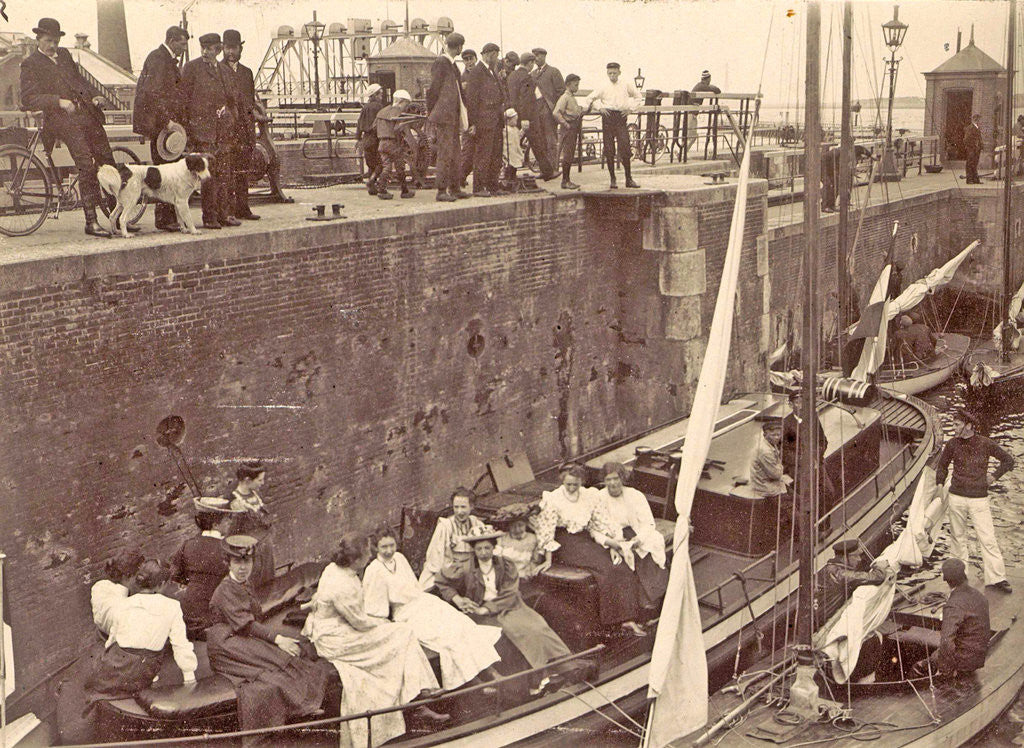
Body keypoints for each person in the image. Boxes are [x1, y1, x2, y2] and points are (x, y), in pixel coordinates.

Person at [303, 534, 448, 748]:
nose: (371, 555)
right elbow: (360, 623)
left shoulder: (334, 569)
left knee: (399, 637)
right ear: (357, 559)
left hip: (337, 629)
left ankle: (417, 698)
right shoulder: (343, 584)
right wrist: (385, 624)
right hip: (336, 640)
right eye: (368, 553)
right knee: (401, 633)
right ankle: (417, 698)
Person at [207, 535, 334, 736]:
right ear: (227, 563)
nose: (243, 567)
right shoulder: (225, 590)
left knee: (287, 654)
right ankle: (301, 706)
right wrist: (278, 638)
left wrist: (300, 607)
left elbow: (253, 615)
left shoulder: (243, 583)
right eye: (237, 562)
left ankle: (302, 704)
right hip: (226, 645)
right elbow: (247, 624)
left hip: (239, 635)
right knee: (275, 663)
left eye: (246, 561)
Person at [435, 525, 574, 695]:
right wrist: (458, 599)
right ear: (473, 550)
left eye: (487, 547)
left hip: (508, 605)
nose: (484, 552)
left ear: (494, 547)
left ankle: (562, 667)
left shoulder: (505, 564)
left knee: (537, 626)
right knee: (517, 632)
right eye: (479, 549)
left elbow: (510, 592)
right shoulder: (464, 567)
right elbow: (441, 582)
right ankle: (538, 680)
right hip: (479, 612)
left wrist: (488, 608)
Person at [362, 529, 502, 690]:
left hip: (423, 602)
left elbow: (414, 587)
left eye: (391, 545)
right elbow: (374, 606)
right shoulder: (374, 570)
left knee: (461, 625)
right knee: (445, 637)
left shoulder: (399, 558)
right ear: (375, 548)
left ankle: (490, 672)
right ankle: (475, 682)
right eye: (383, 547)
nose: (389, 551)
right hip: (404, 613)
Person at [20, 17, 117, 237]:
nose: (53, 45)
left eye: (55, 41)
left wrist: (94, 97)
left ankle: (117, 217)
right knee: (85, 164)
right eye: (48, 41)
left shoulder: (64, 55)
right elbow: (28, 98)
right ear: (38, 39)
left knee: (107, 160)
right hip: (59, 121)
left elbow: (79, 82)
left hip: (85, 115)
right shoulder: (31, 63)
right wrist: (58, 101)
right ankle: (91, 221)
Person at [531, 464, 648, 636]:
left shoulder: (589, 496)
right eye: (568, 484)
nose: (571, 488)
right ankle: (617, 620)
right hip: (565, 542)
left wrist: (612, 542)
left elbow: (600, 521)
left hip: (585, 538)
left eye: (575, 484)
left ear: (581, 482)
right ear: (562, 481)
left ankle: (627, 619)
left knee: (620, 565)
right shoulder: (553, 499)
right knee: (606, 568)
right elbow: (546, 530)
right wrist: (547, 559)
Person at [85, 560, 197, 704]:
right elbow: (180, 644)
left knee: (95, 687)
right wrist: (189, 676)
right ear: (162, 583)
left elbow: (114, 635)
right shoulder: (172, 606)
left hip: (118, 659)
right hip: (146, 665)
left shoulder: (125, 603)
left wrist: (106, 657)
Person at [936, 410, 1015, 592]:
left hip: (979, 499)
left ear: (969, 425)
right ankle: (959, 580)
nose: (953, 427)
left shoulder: (985, 443)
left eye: (956, 424)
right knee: (957, 538)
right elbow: (942, 465)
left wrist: (994, 476)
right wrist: (940, 484)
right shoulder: (952, 444)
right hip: (956, 497)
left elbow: (1008, 461)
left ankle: (997, 578)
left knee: (987, 538)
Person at [180, 32, 240, 230]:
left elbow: (232, 100)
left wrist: (230, 117)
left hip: (223, 132)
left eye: (210, 48)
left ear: (219, 49)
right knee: (208, 176)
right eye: (203, 48)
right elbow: (184, 101)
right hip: (202, 132)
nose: (205, 52)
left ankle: (224, 214)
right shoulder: (191, 69)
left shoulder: (224, 71)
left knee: (224, 175)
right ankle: (209, 217)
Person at [134, 26, 189, 232]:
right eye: (182, 44)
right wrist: (166, 121)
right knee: (165, 172)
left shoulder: (164, 57)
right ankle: (165, 219)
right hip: (161, 127)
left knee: (168, 171)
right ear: (172, 40)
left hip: (166, 125)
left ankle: (168, 218)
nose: (184, 48)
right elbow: (153, 93)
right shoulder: (159, 58)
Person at [593, 462, 669, 607]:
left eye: (616, 478)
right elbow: (595, 528)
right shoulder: (598, 498)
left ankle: (654, 600)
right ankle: (638, 604)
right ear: (604, 481)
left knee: (649, 550)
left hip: (636, 532)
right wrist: (611, 544)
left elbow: (648, 523)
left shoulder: (635, 495)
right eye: (609, 479)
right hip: (611, 539)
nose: (613, 483)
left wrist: (639, 539)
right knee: (621, 563)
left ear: (622, 478)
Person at [170, 497, 238, 637]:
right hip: (212, 616)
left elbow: (175, 574)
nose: (230, 523)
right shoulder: (228, 549)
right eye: (226, 519)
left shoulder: (187, 544)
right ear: (215, 524)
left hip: (188, 615)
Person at [912, 559, 991, 679]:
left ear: (945, 579)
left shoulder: (952, 605)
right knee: (936, 655)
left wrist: (945, 670)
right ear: (964, 575)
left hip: (963, 662)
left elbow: (946, 642)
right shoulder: (980, 596)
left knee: (918, 667)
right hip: (978, 657)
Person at [221, 29, 260, 222]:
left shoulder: (247, 72)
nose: (230, 52)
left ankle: (243, 207)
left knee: (243, 171)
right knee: (227, 171)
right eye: (227, 48)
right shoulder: (218, 70)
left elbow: (250, 102)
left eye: (233, 48)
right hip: (227, 130)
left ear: (240, 48)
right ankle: (228, 210)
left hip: (244, 129)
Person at [426, 31, 470, 203]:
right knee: (445, 152)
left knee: (455, 152)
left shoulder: (451, 65)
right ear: (459, 47)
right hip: (445, 116)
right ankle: (442, 190)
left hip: (452, 115)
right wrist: (432, 112)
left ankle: (455, 187)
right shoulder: (442, 63)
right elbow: (433, 90)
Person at [584, 62, 642, 189]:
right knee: (609, 149)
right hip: (608, 117)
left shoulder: (626, 84)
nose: (612, 76)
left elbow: (638, 97)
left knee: (625, 147)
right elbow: (589, 99)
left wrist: (630, 109)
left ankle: (629, 179)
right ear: (607, 73)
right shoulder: (603, 86)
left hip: (621, 117)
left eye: (614, 73)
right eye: (610, 73)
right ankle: (613, 179)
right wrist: (600, 108)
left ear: (619, 72)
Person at [418, 486, 487, 589]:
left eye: (463, 507)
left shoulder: (477, 523)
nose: (459, 511)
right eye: (456, 507)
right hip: (451, 569)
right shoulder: (445, 526)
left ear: (471, 506)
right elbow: (436, 555)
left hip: (471, 569)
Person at [506, 52, 558, 181]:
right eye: (532, 63)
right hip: (528, 118)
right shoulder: (527, 78)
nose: (532, 66)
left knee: (513, 144)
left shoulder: (512, 75)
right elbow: (526, 99)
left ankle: (510, 174)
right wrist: (525, 118)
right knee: (537, 144)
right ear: (529, 63)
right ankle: (548, 172)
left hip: (513, 116)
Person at [463, 42, 505, 197]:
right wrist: (472, 123)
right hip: (483, 121)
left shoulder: (492, 71)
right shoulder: (477, 72)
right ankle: (479, 187)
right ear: (490, 54)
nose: (497, 58)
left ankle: (493, 185)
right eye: (496, 55)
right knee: (483, 154)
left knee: (495, 154)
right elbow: (472, 100)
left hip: (495, 120)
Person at [815, 539, 888, 625]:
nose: (859, 559)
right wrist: (880, 566)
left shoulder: (831, 567)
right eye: (856, 556)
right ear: (844, 557)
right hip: (819, 621)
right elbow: (878, 577)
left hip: (817, 615)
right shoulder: (841, 574)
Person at [228, 460, 276, 588]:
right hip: (251, 553)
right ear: (248, 480)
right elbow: (233, 533)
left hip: (265, 550)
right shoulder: (235, 503)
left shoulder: (254, 494)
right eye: (260, 480)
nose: (262, 483)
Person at [374, 90, 417, 200]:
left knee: (387, 166)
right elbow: (398, 129)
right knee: (400, 166)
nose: (405, 108)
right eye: (405, 105)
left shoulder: (382, 111)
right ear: (401, 102)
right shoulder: (397, 112)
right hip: (392, 143)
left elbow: (373, 127)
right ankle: (404, 191)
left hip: (381, 143)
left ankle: (382, 190)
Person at [91, 550, 144, 636]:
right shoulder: (127, 607)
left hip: (101, 629)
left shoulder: (99, 586)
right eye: (138, 576)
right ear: (128, 576)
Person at [531, 48, 564, 173]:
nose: (536, 58)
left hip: (549, 110)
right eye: (534, 56)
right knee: (540, 140)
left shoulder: (553, 71)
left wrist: (555, 108)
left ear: (544, 56)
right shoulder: (532, 74)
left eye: (538, 55)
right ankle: (544, 169)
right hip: (536, 110)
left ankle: (553, 167)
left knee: (551, 140)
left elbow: (561, 91)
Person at [493, 503, 542, 580]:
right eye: (513, 526)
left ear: (526, 524)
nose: (517, 530)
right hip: (506, 578)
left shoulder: (533, 539)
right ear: (508, 526)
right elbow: (497, 561)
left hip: (524, 577)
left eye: (520, 525)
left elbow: (535, 561)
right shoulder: (501, 538)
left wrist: (529, 572)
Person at [748, 417, 792, 498]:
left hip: (768, 481)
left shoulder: (771, 444)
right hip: (765, 487)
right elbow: (776, 474)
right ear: (765, 435)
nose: (776, 437)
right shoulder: (765, 451)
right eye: (773, 435)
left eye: (778, 435)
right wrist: (781, 469)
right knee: (793, 500)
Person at [553, 74, 584, 190]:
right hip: (569, 128)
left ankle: (566, 180)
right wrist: (565, 124)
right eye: (575, 85)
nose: (577, 87)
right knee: (568, 155)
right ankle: (565, 181)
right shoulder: (565, 97)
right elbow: (556, 113)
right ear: (568, 85)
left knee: (569, 154)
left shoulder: (571, 97)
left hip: (573, 127)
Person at [357, 83, 387, 195]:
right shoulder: (379, 107)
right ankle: (372, 181)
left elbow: (359, 123)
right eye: (380, 94)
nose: (382, 97)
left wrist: (358, 138)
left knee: (371, 165)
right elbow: (382, 123)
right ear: (374, 95)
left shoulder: (364, 108)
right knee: (382, 163)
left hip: (366, 139)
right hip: (375, 138)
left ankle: (372, 188)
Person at [687, 70, 721, 153]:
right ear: (708, 79)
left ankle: (682, 152)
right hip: (691, 114)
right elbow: (717, 90)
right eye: (710, 79)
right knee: (692, 136)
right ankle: (681, 152)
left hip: (690, 113)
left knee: (690, 135)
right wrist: (711, 86)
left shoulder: (699, 86)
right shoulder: (702, 86)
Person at [964, 113, 983, 184]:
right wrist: (973, 146)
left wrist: (980, 146)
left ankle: (975, 179)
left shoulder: (977, 128)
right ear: (976, 120)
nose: (980, 121)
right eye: (979, 120)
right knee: (970, 163)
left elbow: (979, 138)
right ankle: (969, 180)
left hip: (976, 149)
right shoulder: (970, 128)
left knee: (975, 164)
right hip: (971, 149)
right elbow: (966, 139)